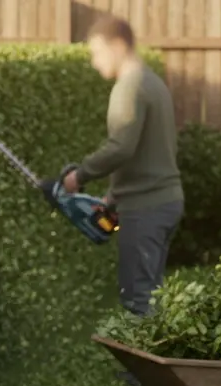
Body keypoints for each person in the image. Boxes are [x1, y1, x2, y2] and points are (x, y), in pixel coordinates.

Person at [63, 15, 184, 319]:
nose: (94, 62)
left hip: (147, 208)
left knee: (137, 297)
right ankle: (153, 363)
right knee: (150, 292)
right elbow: (146, 151)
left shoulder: (129, 87)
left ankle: (139, 367)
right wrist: (114, 197)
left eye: (96, 52)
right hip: (163, 201)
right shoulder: (152, 82)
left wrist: (79, 175)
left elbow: (121, 147)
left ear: (117, 46)